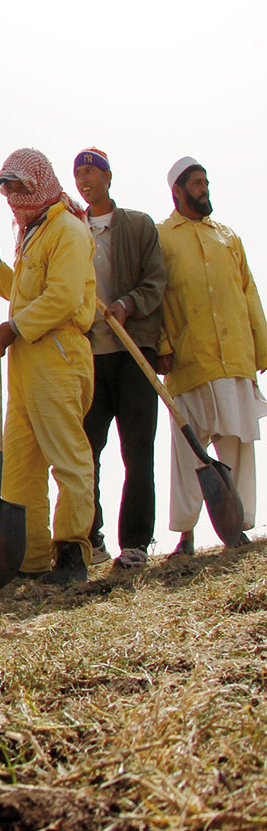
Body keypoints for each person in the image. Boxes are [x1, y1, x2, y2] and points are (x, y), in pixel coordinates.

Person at [0, 147, 96, 585]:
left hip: (58, 353)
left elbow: (63, 297)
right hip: (28, 359)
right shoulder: (32, 234)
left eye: (20, 188)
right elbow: (28, 293)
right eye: (8, 191)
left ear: (41, 183)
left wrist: (14, 327)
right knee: (22, 464)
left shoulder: (67, 228)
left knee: (67, 455)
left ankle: (72, 553)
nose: (14, 199)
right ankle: (29, 560)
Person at [157, 157, 267, 555]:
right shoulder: (162, 236)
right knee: (189, 451)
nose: (205, 190)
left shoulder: (228, 236)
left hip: (235, 356)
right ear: (178, 191)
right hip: (189, 361)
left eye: (206, 183)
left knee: (236, 443)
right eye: (197, 184)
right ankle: (185, 536)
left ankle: (235, 528)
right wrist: (164, 348)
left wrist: (261, 345)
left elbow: (248, 290)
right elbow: (158, 298)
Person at [71, 148, 168, 569]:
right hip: (89, 354)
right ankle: (91, 540)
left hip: (134, 351)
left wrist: (128, 303)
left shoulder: (138, 225)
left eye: (91, 171)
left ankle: (136, 544)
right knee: (86, 450)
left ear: (108, 177)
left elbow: (157, 280)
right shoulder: (71, 230)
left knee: (137, 450)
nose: (84, 179)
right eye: (78, 174)